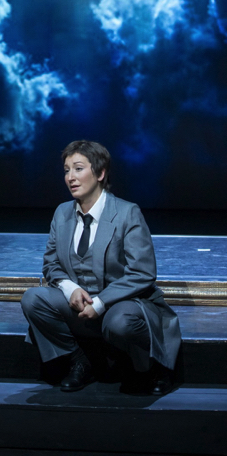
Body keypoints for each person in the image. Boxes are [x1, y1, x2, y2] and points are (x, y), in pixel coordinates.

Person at [21, 140, 181, 394]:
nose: (70, 177)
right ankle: (79, 361)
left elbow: (142, 273)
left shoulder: (127, 213)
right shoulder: (62, 214)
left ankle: (150, 368)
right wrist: (70, 288)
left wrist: (101, 302)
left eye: (78, 168)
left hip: (123, 304)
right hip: (81, 307)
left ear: (100, 173)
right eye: (66, 170)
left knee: (120, 322)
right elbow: (51, 264)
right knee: (33, 299)